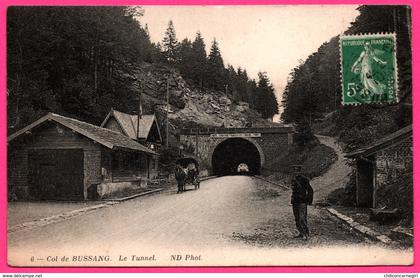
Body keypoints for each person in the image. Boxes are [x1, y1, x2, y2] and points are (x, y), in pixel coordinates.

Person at [291, 173, 313, 240]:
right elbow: (293, 191)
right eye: (294, 170)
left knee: (302, 218)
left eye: (297, 170)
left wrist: (309, 200)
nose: (296, 172)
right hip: (295, 201)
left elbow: (310, 190)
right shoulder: (293, 179)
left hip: (302, 202)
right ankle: (301, 233)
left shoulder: (304, 179)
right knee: (297, 218)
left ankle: (306, 234)